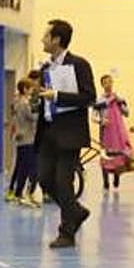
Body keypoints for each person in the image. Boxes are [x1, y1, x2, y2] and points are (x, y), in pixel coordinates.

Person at [36, 19, 96, 248]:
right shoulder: (45, 68)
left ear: (57, 39)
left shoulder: (79, 65)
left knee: (64, 181)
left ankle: (67, 232)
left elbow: (89, 97)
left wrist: (58, 96)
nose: (42, 40)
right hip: (48, 131)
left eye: (46, 36)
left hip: (70, 133)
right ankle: (75, 211)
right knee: (44, 178)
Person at [6, 74, 40, 207]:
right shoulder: (24, 103)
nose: (32, 90)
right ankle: (22, 193)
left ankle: (17, 193)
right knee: (28, 168)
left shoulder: (17, 102)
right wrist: (42, 113)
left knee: (21, 167)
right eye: (30, 88)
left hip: (21, 138)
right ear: (25, 89)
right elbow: (32, 117)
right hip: (28, 139)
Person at [93, 73, 130, 189]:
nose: (108, 84)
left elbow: (127, 113)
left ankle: (116, 177)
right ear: (102, 85)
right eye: (105, 83)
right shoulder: (99, 100)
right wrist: (101, 120)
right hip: (104, 131)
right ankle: (105, 181)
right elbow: (93, 116)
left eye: (110, 82)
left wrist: (120, 103)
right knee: (105, 155)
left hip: (117, 132)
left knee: (117, 155)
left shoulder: (118, 98)